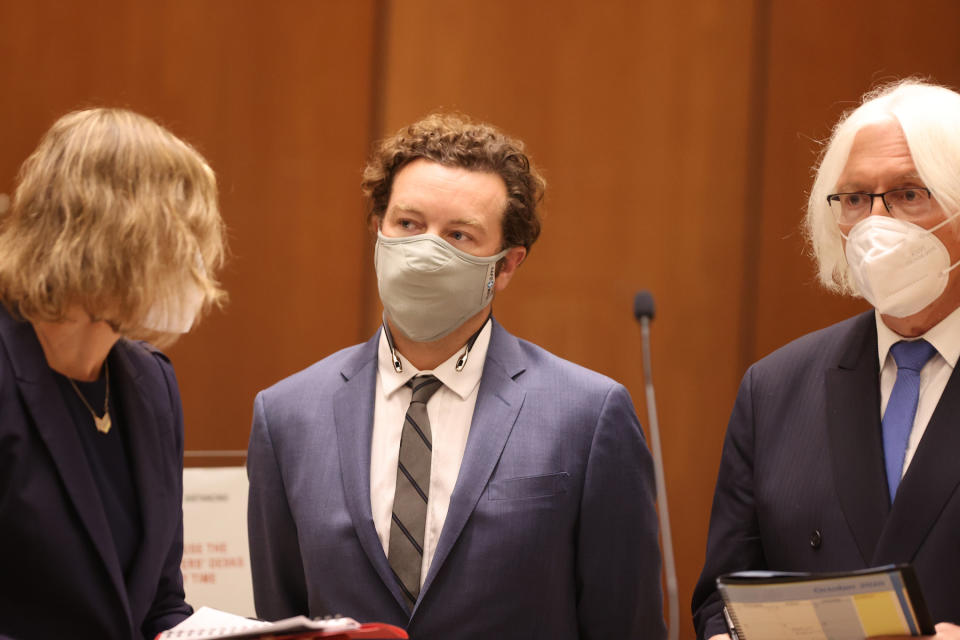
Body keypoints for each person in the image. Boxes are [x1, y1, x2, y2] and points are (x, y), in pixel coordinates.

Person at [247, 113, 665, 639]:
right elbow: (281, 620)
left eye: (459, 235)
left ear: (506, 266)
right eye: (408, 224)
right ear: (377, 228)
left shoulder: (587, 415)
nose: (425, 250)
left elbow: (627, 626)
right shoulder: (286, 415)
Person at [693, 80, 960, 640]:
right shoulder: (775, 387)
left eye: (910, 193)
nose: (876, 223)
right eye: (857, 198)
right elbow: (722, 597)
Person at [0, 108, 226, 639]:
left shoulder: (152, 384)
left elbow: (160, 605)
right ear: (112, 241)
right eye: (181, 242)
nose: (199, 269)